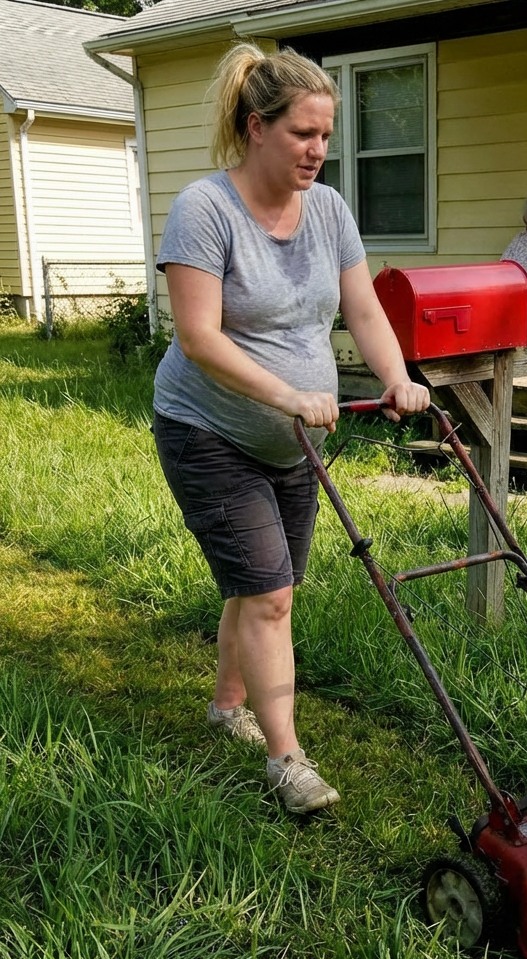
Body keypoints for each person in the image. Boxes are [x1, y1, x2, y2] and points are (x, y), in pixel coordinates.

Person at [151, 43, 430, 815]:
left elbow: (364, 309)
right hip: (206, 426)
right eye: (303, 134)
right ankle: (287, 760)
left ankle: (225, 707)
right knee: (271, 592)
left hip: (293, 437)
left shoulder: (331, 211)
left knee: (264, 583)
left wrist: (398, 377)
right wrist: (288, 394)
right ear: (256, 127)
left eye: (326, 136)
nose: (318, 151)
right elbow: (199, 338)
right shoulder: (205, 210)